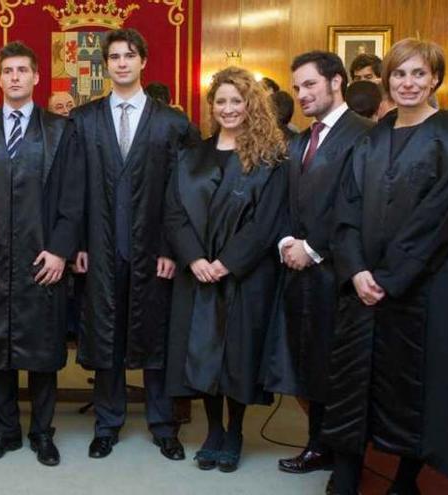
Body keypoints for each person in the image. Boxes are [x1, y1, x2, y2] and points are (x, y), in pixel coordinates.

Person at [325, 38, 448, 495]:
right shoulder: (371, 138)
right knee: (353, 382)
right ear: (386, 81)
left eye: (419, 74)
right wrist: (357, 270)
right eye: (399, 74)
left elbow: (438, 220)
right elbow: (347, 209)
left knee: (414, 386)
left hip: (423, 288)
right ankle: (345, 472)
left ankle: (406, 479)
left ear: (435, 78)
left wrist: (390, 278)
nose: (408, 83)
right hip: (362, 287)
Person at [69, 28, 196, 461]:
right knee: (106, 337)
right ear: (106, 65)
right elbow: (74, 191)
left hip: (154, 250)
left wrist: (170, 248)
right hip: (100, 248)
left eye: (129, 56)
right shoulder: (83, 120)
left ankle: (164, 425)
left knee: (156, 338)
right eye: (114, 57)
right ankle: (107, 424)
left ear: (143, 61)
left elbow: (184, 193)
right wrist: (79, 243)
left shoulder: (172, 122)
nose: (122, 63)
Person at [0, 41, 82, 467]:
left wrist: (60, 251)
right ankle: (4, 432)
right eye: (7, 70)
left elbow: (72, 199)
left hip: (41, 260)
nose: (14, 77)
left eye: (22, 70)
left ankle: (42, 434)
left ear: (36, 77)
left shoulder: (62, 131)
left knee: (44, 353)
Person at [164, 66, 288, 473]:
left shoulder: (270, 159)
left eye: (237, 101)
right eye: (221, 101)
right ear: (211, 107)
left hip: (243, 275)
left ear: (250, 104)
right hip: (196, 272)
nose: (229, 108)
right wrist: (195, 259)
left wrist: (226, 263)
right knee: (200, 355)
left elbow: (267, 221)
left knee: (236, 357)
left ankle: (235, 431)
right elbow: (174, 213)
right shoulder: (191, 155)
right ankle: (213, 430)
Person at [267, 51, 374, 476]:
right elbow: (289, 201)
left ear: (336, 82)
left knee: (339, 369)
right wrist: (288, 242)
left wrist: (313, 247)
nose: (302, 94)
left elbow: (358, 204)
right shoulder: (301, 140)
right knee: (312, 363)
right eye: (296, 88)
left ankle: (340, 451)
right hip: (300, 273)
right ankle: (317, 444)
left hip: (340, 273)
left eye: (310, 85)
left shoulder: (365, 134)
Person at [349, 53, 396, 119]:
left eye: (368, 77)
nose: (363, 82)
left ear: (380, 78)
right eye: (358, 78)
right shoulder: (350, 106)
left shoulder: (391, 102)